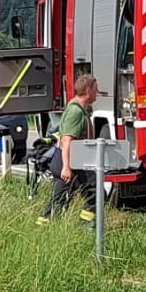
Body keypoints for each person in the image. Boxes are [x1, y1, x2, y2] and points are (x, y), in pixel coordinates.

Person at [38, 74, 100, 225]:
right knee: (96, 191)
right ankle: (86, 225)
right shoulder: (75, 112)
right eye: (95, 89)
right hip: (70, 161)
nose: (97, 92)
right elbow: (67, 140)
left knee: (58, 201)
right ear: (88, 90)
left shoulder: (79, 109)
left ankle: (44, 227)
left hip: (71, 160)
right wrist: (66, 167)